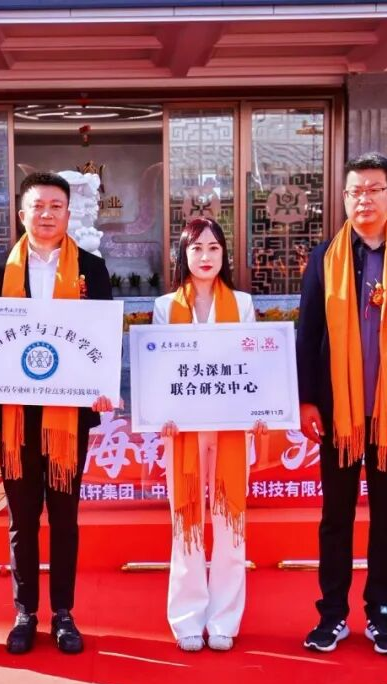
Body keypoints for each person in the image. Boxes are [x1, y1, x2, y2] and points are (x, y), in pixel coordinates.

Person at [297, 152, 387, 656]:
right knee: (335, 517)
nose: (364, 199)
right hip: (338, 414)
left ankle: (382, 613)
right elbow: (308, 334)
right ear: (343, 198)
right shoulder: (325, 257)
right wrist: (307, 400)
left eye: (373, 189)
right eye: (355, 191)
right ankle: (332, 614)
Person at [0, 171, 114, 655]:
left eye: (56, 206)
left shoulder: (91, 269)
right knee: (21, 521)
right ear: (22, 214)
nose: (46, 214)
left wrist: (102, 386)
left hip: (67, 416)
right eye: (37, 206)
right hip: (17, 415)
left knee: (63, 518)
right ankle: (25, 613)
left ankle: (63, 614)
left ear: (68, 214)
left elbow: (100, 337)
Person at [153, 217, 264, 652]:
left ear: (224, 255)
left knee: (230, 526)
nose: (205, 256)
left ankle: (223, 620)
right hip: (183, 431)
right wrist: (159, 411)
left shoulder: (243, 304)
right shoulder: (165, 307)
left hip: (231, 428)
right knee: (186, 525)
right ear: (183, 254)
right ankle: (186, 619)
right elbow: (158, 369)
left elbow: (254, 367)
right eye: (196, 248)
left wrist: (262, 408)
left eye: (213, 248)